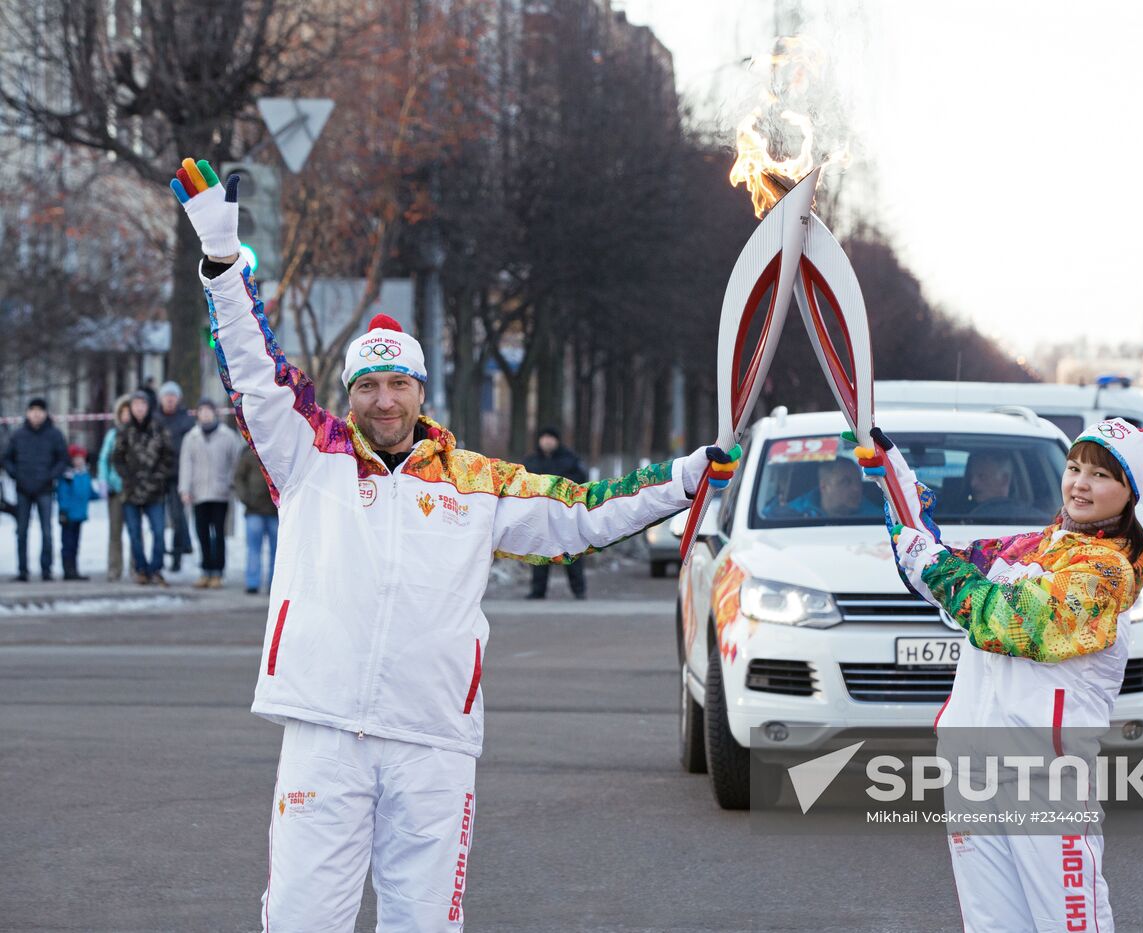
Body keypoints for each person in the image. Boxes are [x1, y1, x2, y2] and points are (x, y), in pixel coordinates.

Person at [172, 157, 738, 930]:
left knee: (426, 921)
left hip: (432, 741)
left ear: (420, 390)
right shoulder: (309, 455)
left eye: (397, 384)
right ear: (350, 394)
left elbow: (582, 511)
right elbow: (254, 372)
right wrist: (222, 263)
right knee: (303, 920)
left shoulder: (475, 482)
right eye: (368, 386)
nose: (382, 399)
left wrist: (682, 478)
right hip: (324, 732)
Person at [859, 417, 1143, 933]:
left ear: (1129, 493)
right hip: (970, 768)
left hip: (1044, 779)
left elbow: (1017, 624)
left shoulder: (1106, 571)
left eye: (1102, 476)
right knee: (992, 925)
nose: (1080, 484)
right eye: (1074, 468)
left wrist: (932, 563)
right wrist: (896, 483)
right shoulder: (1030, 547)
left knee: (1070, 924)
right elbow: (938, 564)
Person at [2, 398, 68, 582]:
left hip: (45, 489)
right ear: (27, 413)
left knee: (47, 531)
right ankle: (22, 570)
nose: (36, 414)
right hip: (23, 489)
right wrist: (16, 475)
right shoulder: (18, 435)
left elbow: (63, 459)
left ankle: (46, 569)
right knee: (21, 531)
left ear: (46, 413)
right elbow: (7, 459)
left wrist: (51, 476)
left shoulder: (54, 435)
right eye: (32, 410)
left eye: (40, 410)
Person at [179, 399, 243, 589]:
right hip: (199, 494)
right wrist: (185, 489)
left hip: (220, 493)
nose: (205, 414)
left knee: (219, 534)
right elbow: (186, 465)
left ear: (215, 413)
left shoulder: (228, 436)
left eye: (208, 411)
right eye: (202, 411)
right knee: (202, 534)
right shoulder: (191, 437)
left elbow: (236, 462)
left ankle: (218, 572)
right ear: (197, 414)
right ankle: (205, 570)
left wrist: (231, 484)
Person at [113, 389, 175, 586]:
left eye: (143, 404)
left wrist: (158, 477)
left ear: (148, 407)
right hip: (131, 490)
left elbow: (168, 456)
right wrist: (128, 477)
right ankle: (141, 569)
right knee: (134, 533)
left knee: (158, 532)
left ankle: (156, 568)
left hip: (155, 491)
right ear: (130, 408)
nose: (139, 409)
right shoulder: (124, 431)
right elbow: (116, 459)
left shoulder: (159, 428)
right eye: (135, 405)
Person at [523, 428, 589, 599]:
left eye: (550, 438)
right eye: (544, 438)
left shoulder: (570, 460)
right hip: (540, 514)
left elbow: (581, 482)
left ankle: (579, 590)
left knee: (571, 551)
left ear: (557, 440)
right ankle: (538, 590)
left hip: (564, 514)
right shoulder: (531, 461)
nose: (547, 441)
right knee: (540, 552)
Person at [155, 380, 196, 572]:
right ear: (161, 398)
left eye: (173, 396)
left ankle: (177, 556)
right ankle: (158, 555)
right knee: (157, 520)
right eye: (166, 396)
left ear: (178, 399)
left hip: (179, 475)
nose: (170, 400)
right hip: (157, 476)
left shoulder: (187, 420)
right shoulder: (154, 419)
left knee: (178, 518)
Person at [235, 443, 278, 595]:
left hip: (275, 511)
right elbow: (238, 478)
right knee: (254, 549)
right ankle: (252, 582)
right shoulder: (248, 452)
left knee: (277, 551)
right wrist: (246, 498)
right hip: (254, 510)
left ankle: (275, 583)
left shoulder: (280, 451)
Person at [97, 395, 133, 581]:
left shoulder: (138, 434)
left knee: (135, 532)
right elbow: (103, 459)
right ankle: (114, 568)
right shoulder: (112, 435)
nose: (127, 416)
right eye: (123, 412)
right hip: (115, 490)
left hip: (134, 490)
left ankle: (137, 568)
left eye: (129, 412)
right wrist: (103, 480)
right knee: (115, 532)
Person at [55, 445, 99, 581]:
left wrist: (102, 493)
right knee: (67, 544)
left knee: (75, 544)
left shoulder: (85, 475)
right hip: (68, 516)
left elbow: (89, 493)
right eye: (76, 458)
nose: (79, 461)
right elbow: (62, 495)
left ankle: (74, 569)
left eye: (81, 458)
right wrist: (64, 511)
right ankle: (68, 570)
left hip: (80, 515)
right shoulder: (67, 476)